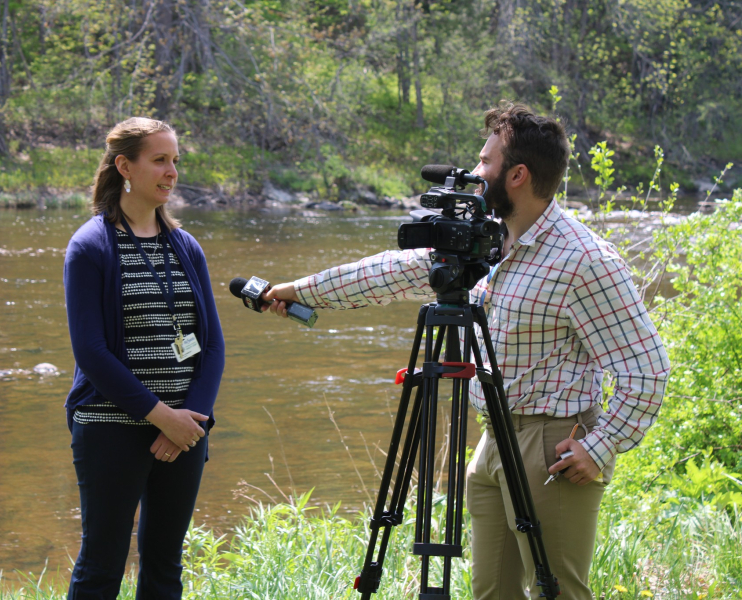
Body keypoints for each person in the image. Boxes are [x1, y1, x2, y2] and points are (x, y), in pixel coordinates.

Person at [261, 102, 670, 599]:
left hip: (552, 446)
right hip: (491, 438)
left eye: (484, 163)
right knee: (491, 593)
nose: (473, 175)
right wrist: (298, 290)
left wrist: (601, 449)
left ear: (517, 175)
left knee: (556, 593)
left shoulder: (584, 261)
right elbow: (389, 273)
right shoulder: (486, 243)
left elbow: (646, 368)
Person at [62, 117, 224, 600]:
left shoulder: (185, 246)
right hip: (111, 428)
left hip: (184, 432)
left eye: (175, 160)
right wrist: (161, 417)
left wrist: (189, 419)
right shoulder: (90, 246)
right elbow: (90, 352)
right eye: (160, 160)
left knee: (164, 568)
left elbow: (212, 344)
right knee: (101, 567)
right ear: (124, 166)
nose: (172, 171)